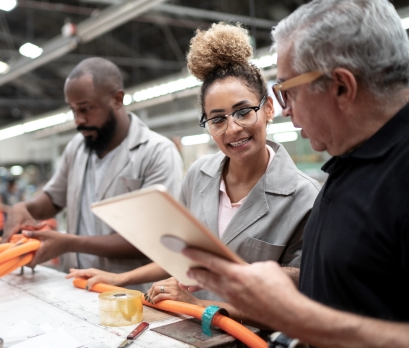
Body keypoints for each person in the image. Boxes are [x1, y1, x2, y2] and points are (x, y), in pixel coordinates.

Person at [180, 1, 409, 348]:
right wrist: (259, 281)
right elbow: (348, 276)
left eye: (288, 90)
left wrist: (297, 316)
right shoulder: (352, 163)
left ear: (341, 86)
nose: (285, 109)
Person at [68, 23, 320, 320]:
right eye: (217, 119)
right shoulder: (200, 174)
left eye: (243, 111)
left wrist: (198, 305)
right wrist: (121, 279)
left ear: (267, 110)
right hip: (191, 335)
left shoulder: (304, 197)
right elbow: (181, 256)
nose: (233, 128)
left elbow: (300, 299)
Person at [0, 57, 183, 291]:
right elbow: (53, 198)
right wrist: (24, 208)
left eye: (86, 109)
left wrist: (69, 243)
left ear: (117, 99)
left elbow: (153, 239)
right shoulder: (78, 146)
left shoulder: (157, 153)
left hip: (128, 293)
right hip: (75, 284)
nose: (79, 120)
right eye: (73, 110)